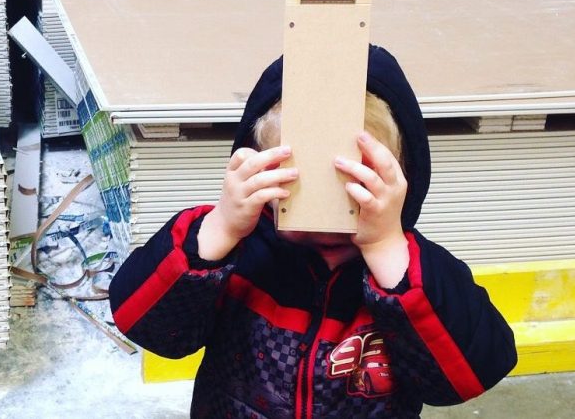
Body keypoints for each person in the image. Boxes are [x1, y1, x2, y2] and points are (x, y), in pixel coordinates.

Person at [109, 46, 517, 418]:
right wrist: (219, 229)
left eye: (357, 189)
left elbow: (472, 374)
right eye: (299, 189)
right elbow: (151, 329)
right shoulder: (237, 252)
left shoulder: (410, 275)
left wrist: (385, 245)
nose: (326, 222)